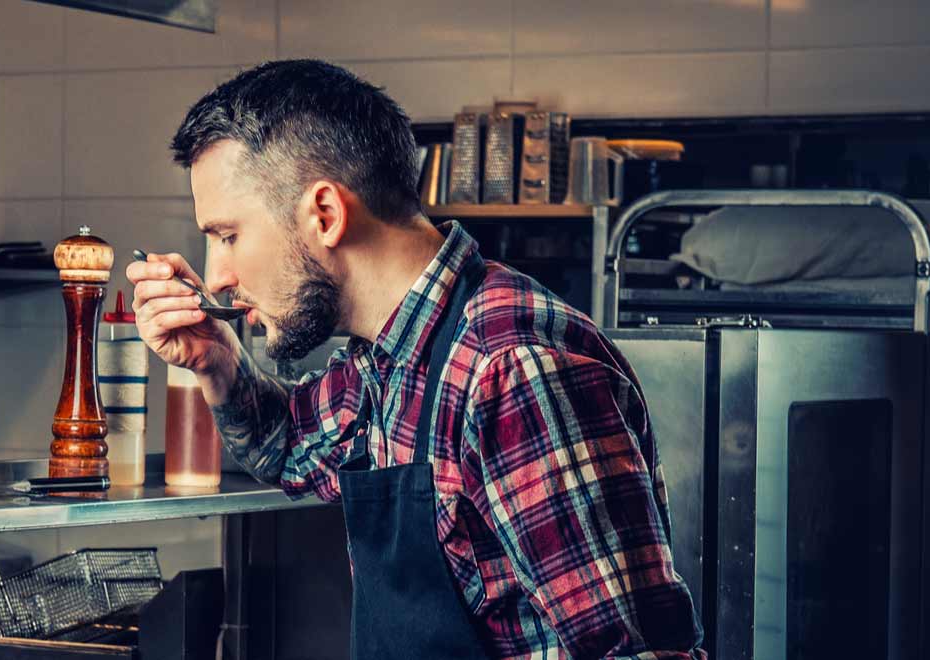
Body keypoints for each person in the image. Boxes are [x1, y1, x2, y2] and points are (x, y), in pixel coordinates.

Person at [127, 59, 704, 660]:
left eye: (228, 236)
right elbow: (290, 444)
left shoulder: (511, 367)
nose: (216, 278)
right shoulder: (387, 355)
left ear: (324, 214)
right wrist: (218, 362)